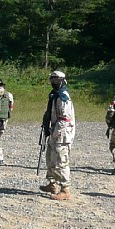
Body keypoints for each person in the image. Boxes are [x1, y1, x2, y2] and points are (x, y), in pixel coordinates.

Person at [39, 71, 76, 201]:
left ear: (62, 81)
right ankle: (53, 184)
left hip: (62, 134)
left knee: (61, 161)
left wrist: (55, 133)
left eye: (56, 80)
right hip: (55, 132)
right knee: (50, 157)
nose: (53, 82)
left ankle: (65, 189)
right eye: (52, 79)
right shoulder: (55, 95)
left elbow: (64, 119)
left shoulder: (62, 97)